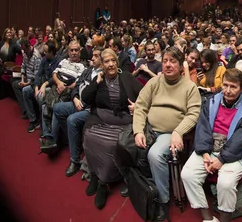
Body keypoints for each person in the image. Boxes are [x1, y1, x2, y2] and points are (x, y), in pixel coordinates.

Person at [180, 69, 242, 222]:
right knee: (188, 175)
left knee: (225, 183)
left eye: (233, 87)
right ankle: (208, 218)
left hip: (232, 152)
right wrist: (204, 153)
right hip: (209, 148)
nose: (228, 91)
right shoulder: (211, 101)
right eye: (225, 85)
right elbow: (203, 128)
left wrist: (222, 159)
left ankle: (224, 219)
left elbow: (240, 138)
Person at [133, 47, 201, 221]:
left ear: (180, 66)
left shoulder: (189, 87)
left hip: (169, 133)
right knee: (124, 146)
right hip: (149, 129)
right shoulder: (155, 82)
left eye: (172, 61)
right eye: (165, 61)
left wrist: (178, 131)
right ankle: (141, 187)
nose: (168, 65)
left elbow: (193, 114)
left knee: (155, 155)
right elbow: (140, 106)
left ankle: (162, 201)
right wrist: (138, 131)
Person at [81, 49, 143, 209]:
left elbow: (144, 94)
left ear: (117, 62)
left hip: (122, 124)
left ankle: (103, 183)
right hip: (100, 121)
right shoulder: (98, 79)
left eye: (113, 61)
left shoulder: (127, 77)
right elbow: (85, 98)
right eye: (106, 62)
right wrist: (97, 81)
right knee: (88, 135)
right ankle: (94, 175)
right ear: (101, 65)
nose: (110, 64)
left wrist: (138, 106)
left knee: (112, 144)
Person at [55, 47, 103, 177]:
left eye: (96, 56)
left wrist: (83, 103)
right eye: (93, 55)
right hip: (77, 102)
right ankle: (75, 141)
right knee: (58, 108)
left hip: (90, 109)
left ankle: (74, 160)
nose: (92, 58)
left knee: (72, 120)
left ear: (103, 60)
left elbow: (98, 97)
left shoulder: (103, 75)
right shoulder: (88, 71)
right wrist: (75, 98)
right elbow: (77, 86)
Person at [11, 39, 41, 119]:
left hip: (33, 82)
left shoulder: (36, 56)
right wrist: (22, 80)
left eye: (24, 49)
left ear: (28, 47)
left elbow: (36, 76)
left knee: (24, 89)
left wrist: (26, 84)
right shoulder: (25, 53)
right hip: (26, 79)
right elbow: (23, 66)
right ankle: (25, 110)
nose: (23, 51)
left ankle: (30, 114)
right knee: (14, 84)